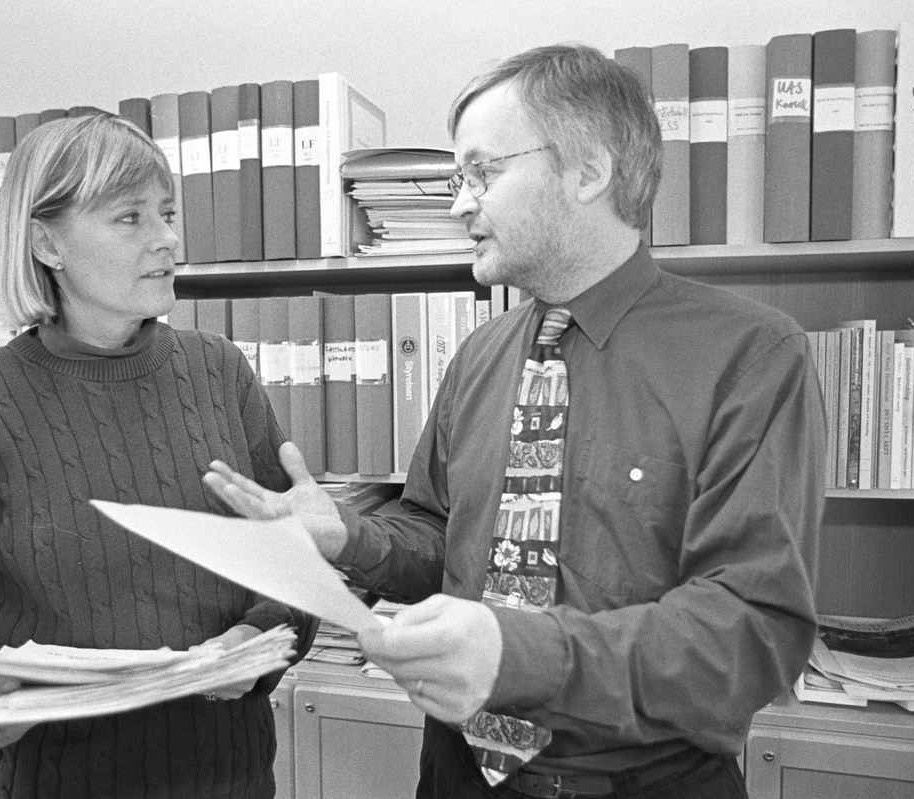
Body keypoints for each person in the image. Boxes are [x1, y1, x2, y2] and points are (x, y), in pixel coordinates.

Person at [205, 43, 824, 798]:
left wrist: (517, 652)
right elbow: (440, 533)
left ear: (588, 170)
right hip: (456, 774)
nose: (460, 204)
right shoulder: (480, 354)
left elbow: (750, 631)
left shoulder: (751, 355)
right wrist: (346, 533)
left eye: (483, 173)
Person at [0, 113, 315, 799]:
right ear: (47, 242)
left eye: (166, 212)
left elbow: (289, 567)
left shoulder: (221, 371)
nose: (167, 239)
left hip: (227, 778)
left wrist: (254, 637)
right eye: (129, 218)